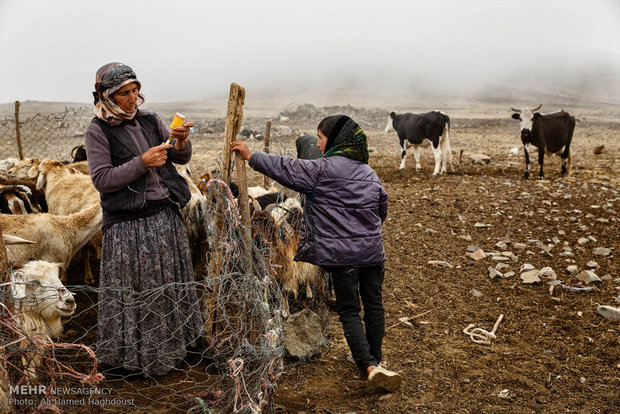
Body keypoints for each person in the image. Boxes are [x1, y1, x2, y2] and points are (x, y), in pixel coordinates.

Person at [231, 115, 402, 392]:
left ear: (335, 140)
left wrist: (252, 156)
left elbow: (286, 167)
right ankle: (376, 359)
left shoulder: (322, 170)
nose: (319, 145)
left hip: (344, 256)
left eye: (321, 139)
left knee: (348, 309)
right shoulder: (369, 173)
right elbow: (382, 209)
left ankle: (369, 366)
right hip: (373, 253)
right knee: (374, 304)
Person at [85, 62, 203, 377]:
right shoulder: (99, 130)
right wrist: (142, 162)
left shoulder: (150, 120)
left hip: (164, 218)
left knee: (168, 289)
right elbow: (103, 179)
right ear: (105, 94)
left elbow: (180, 157)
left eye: (135, 90)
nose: (132, 98)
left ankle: (178, 351)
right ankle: (132, 362)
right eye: (123, 93)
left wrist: (180, 140)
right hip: (128, 228)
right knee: (135, 295)